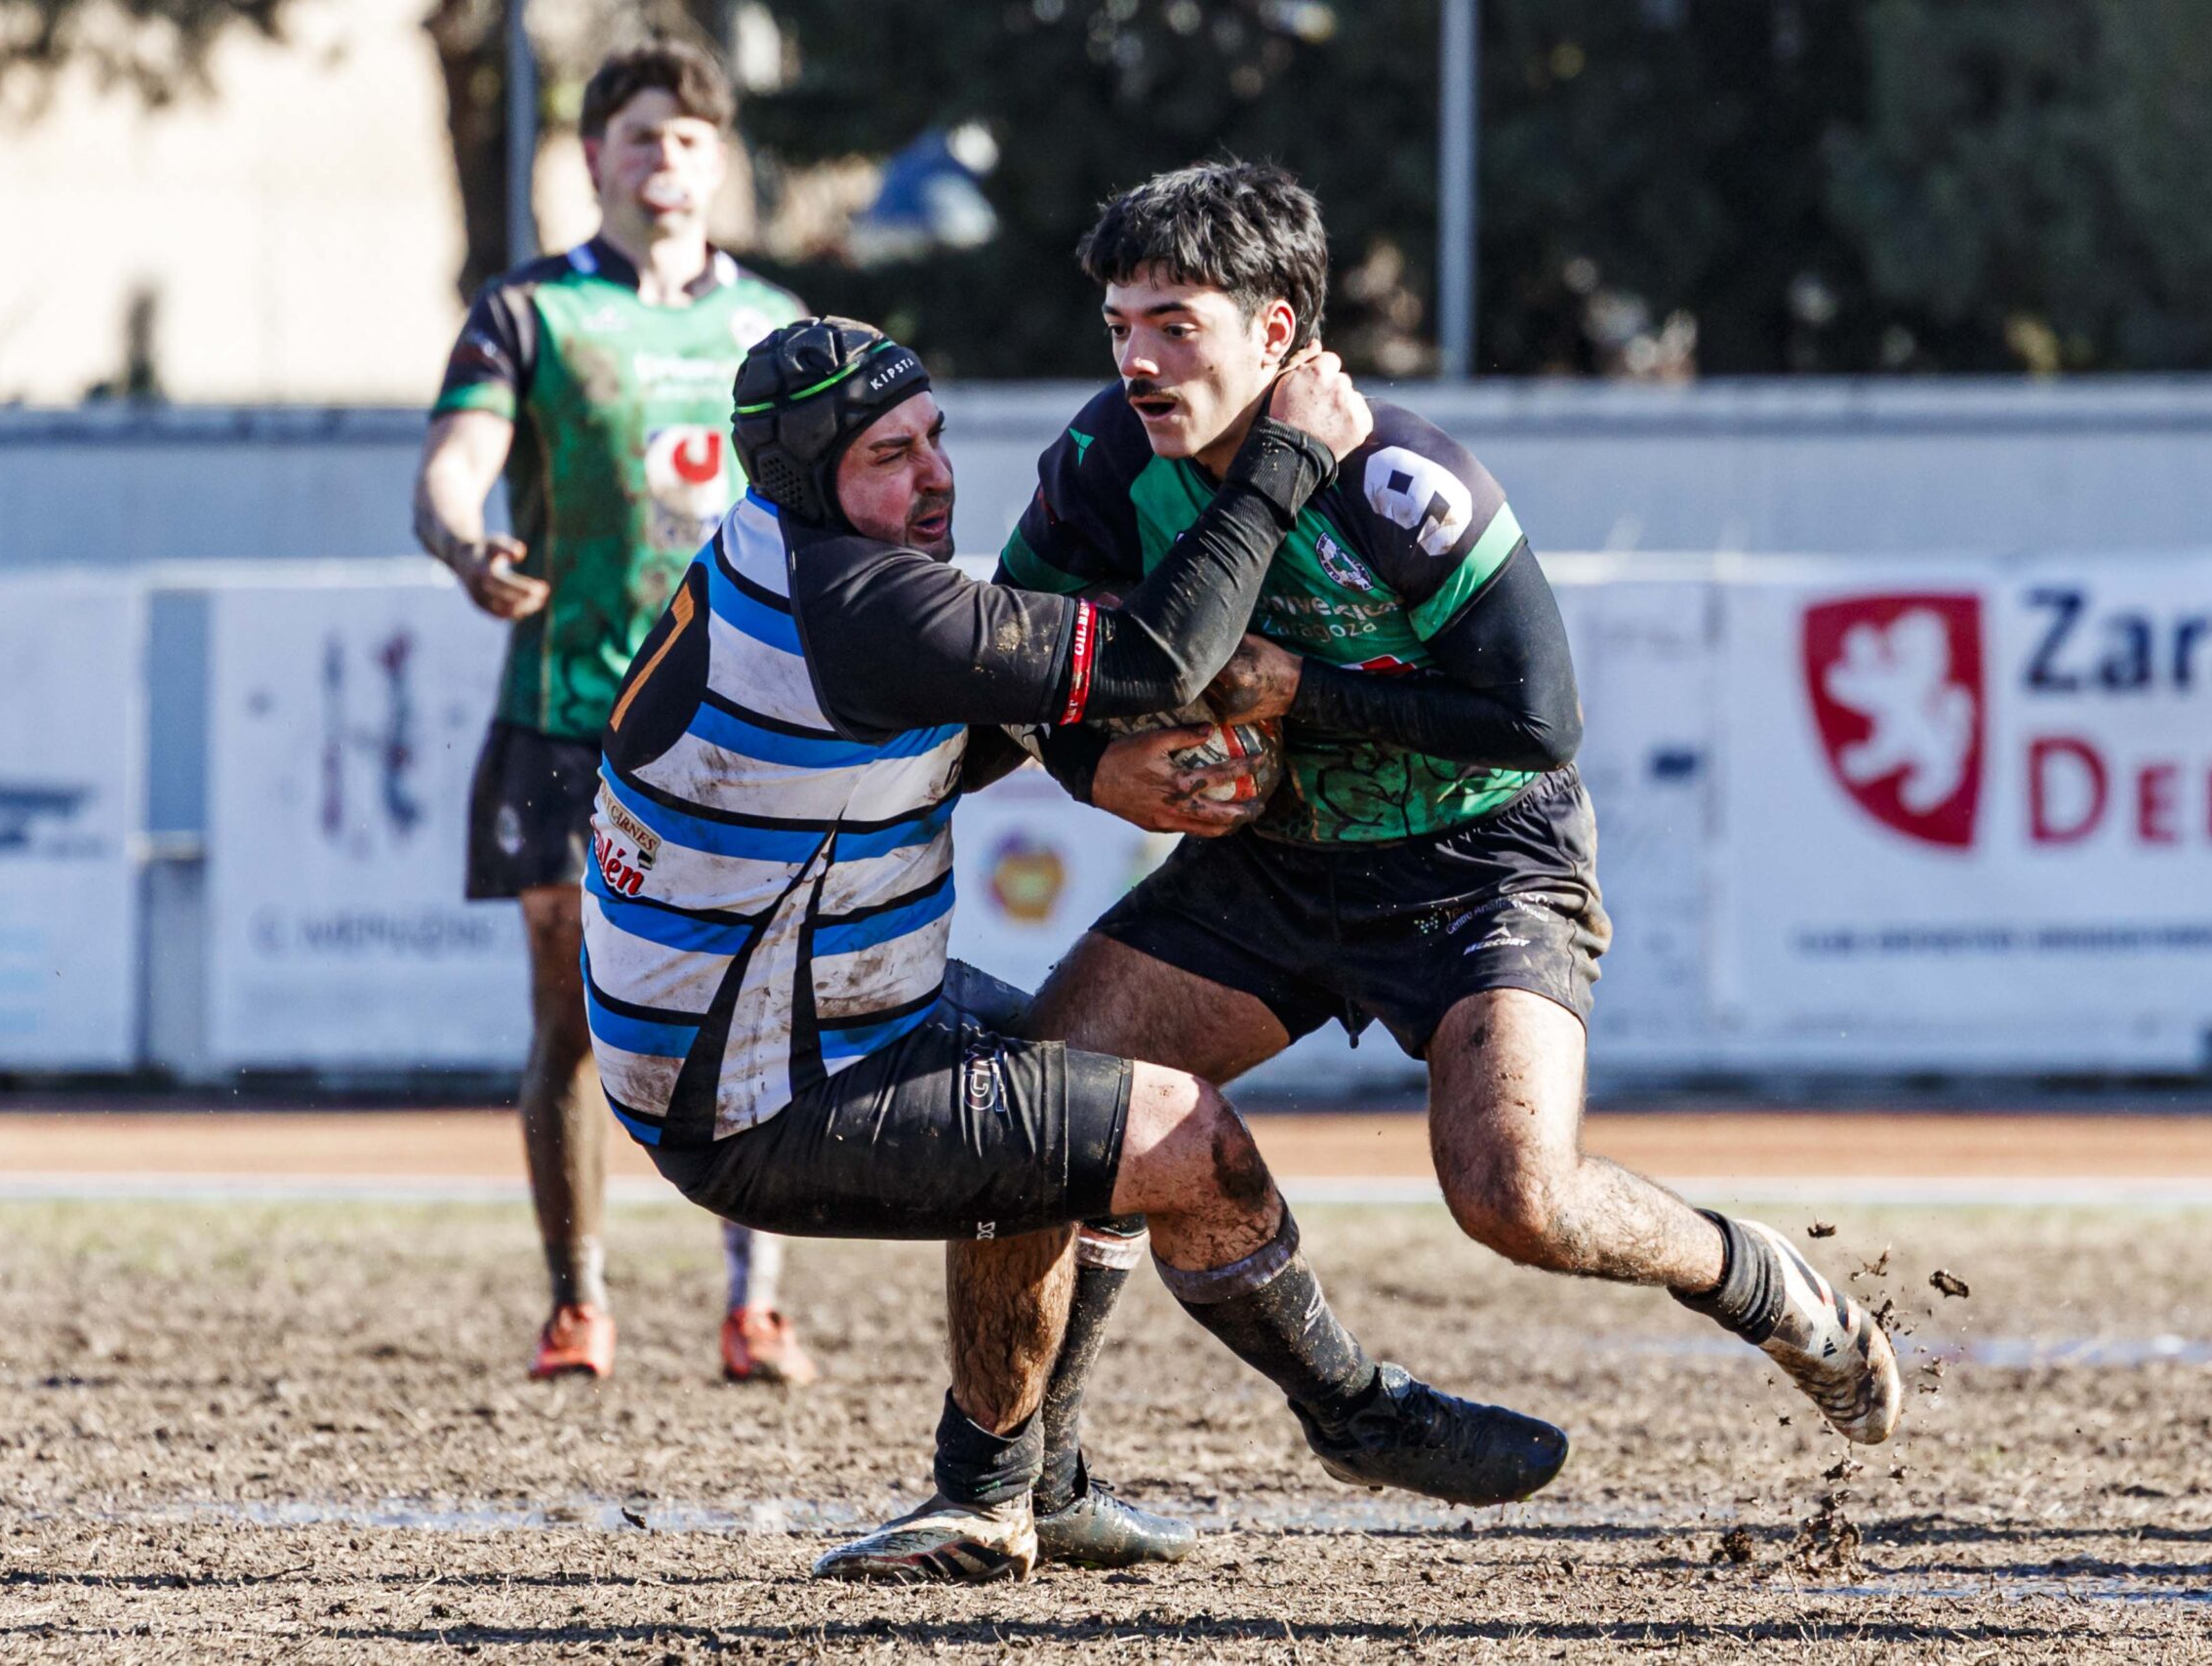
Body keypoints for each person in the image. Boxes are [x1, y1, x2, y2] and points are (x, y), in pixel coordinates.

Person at [583, 315, 1569, 1583]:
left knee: (1083, 1070)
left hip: (805, 1034)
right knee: (1185, 1142)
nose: (936, 474)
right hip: (766, 1095)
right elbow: (1160, 655)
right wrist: (1285, 459)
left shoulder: (787, 563)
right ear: (804, 476)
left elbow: (992, 727)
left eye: (935, 437)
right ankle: (1353, 1411)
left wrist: (1106, 760)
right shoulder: (861, 603)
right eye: (891, 453)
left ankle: (1018, 1488)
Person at [987, 162, 1903, 1472]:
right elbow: (1028, 657)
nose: (1137, 360)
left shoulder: (1405, 479)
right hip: (1274, 864)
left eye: (1174, 324)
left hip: (1483, 866)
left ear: (1277, 332)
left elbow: (1538, 723)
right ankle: (1045, 1474)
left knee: (1516, 1199)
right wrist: (1092, 772)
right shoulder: (1101, 458)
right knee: (1054, 1112)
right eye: (1121, 325)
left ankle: (1753, 1277)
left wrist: (1301, 689)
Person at [412, 39, 815, 1385]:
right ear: (594, 158)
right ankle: (577, 1299)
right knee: (572, 1013)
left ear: (719, 161)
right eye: (640, 138)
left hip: (740, 722)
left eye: (689, 140)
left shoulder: (778, 326)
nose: (665, 162)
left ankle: (756, 1303)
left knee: (759, 1011)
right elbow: (453, 466)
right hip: (566, 718)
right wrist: (466, 545)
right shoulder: (527, 314)